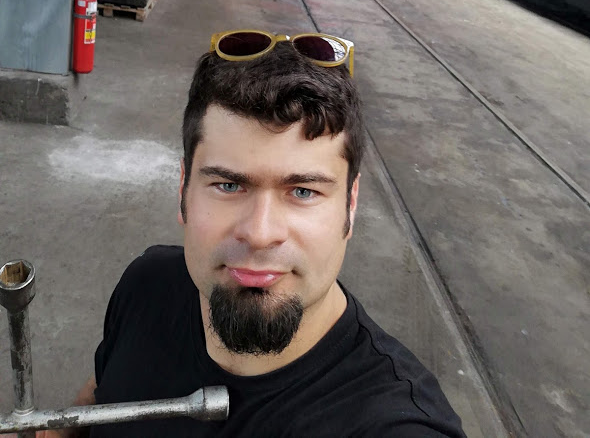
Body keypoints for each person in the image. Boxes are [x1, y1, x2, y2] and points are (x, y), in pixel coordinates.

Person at [29, 30, 465, 437]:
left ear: (350, 205)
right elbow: (101, 396)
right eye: (228, 185)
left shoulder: (393, 423)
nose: (259, 233)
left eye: (303, 191)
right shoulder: (147, 284)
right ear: (183, 190)